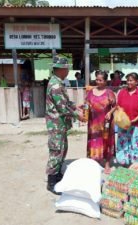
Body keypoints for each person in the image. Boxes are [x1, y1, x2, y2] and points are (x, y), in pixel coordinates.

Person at [45, 56, 84, 195]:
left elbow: (65, 103)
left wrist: (75, 105)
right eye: (66, 68)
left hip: (60, 124)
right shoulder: (55, 85)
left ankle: (57, 175)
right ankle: (52, 182)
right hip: (56, 124)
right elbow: (62, 108)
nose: (68, 70)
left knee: (62, 149)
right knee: (56, 151)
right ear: (61, 69)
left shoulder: (59, 82)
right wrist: (77, 115)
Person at [84, 70, 116, 174]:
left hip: (105, 122)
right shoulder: (90, 92)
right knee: (94, 141)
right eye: (97, 79)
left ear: (105, 81)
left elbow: (115, 105)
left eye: (101, 80)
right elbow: (86, 103)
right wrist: (84, 110)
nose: (98, 82)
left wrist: (110, 112)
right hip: (93, 122)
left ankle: (107, 164)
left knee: (106, 141)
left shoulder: (109, 92)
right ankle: (94, 162)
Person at [116, 72, 138, 166]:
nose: (129, 82)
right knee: (124, 143)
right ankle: (124, 162)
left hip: (137, 124)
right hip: (124, 124)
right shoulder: (122, 92)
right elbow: (118, 106)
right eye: (128, 80)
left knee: (136, 143)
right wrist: (122, 117)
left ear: (136, 82)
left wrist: (134, 120)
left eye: (131, 80)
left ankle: (136, 163)